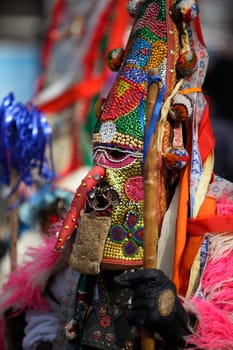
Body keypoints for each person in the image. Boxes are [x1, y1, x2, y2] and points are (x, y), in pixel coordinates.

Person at [1, 1, 233, 349]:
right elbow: (46, 312)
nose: (103, 172)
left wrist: (177, 325)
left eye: (119, 155)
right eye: (101, 155)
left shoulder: (217, 240)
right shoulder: (87, 223)